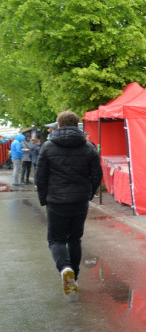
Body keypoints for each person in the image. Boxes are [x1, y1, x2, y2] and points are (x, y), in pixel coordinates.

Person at [35, 111, 102, 298]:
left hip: (56, 201)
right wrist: (89, 192)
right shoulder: (88, 147)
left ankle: (64, 268)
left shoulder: (47, 147)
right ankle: (75, 276)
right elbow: (97, 174)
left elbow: (41, 177)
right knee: (74, 239)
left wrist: (43, 198)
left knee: (56, 239)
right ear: (76, 124)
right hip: (79, 199)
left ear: (58, 124)